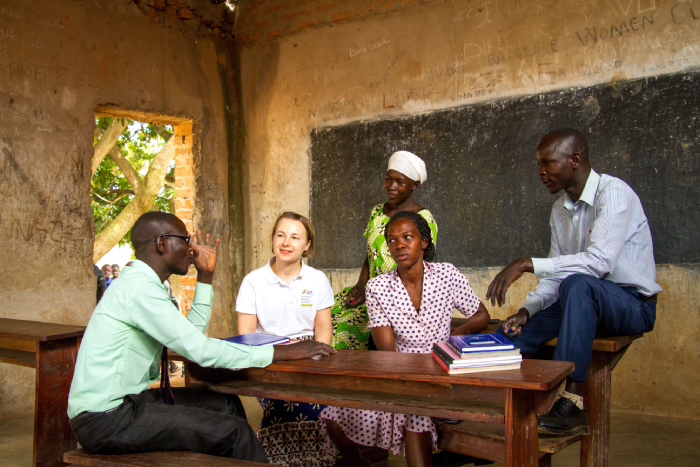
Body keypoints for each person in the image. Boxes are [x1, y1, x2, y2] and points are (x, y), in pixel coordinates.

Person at [67, 211, 336, 462]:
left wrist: (205, 277)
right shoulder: (139, 289)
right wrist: (282, 351)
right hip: (108, 418)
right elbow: (201, 350)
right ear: (162, 243)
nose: (192, 248)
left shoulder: (146, 284)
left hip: (131, 403)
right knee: (235, 432)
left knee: (226, 405)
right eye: (185, 240)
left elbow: (189, 338)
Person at [486, 128, 660, 436]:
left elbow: (599, 263)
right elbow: (556, 276)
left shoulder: (614, 194)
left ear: (574, 160)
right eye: (539, 164)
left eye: (548, 163)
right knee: (508, 337)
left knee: (578, 284)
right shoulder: (559, 210)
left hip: (631, 304)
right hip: (580, 301)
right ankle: (489, 417)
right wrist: (528, 310)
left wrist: (527, 263)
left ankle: (573, 403)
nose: (540, 172)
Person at [321, 211, 490, 467]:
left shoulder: (447, 275)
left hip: (442, 373)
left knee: (415, 414)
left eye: (407, 237)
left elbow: (481, 314)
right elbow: (387, 350)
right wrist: (408, 381)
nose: (398, 244)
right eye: (391, 240)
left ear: (423, 241)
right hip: (399, 373)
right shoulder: (377, 287)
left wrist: (459, 334)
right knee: (333, 416)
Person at [236, 211, 335, 466]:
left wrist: (318, 362)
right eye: (280, 235)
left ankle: (315, 459)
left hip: (310, 359)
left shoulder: (317, 279)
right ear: (272, 240)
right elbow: (246, 336)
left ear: (307, 245)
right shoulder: (253, 282)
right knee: (288, 404)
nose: (286, 243)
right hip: (269, 361)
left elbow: (323, 328)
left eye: (294, 237)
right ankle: (278, 459)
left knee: (322, 404)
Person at [332, 151, 438, 350]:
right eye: (388, 180)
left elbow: (426, 267)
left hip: (398, 300)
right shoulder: (377, 212)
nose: (391, 187)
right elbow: (370, 255)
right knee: (329, 315)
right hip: (371, 293)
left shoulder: (423, 218)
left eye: (400, 182)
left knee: (349, 329)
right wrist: (361, 285)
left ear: (414, 185)